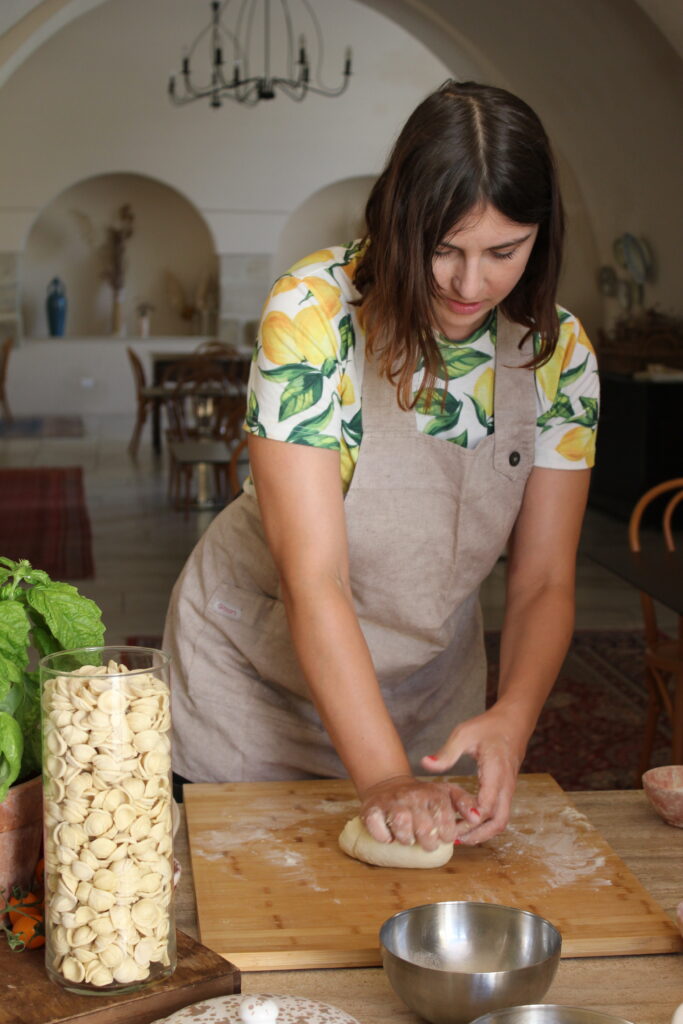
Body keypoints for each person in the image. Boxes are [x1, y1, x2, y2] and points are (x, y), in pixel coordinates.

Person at [163, 80, 599, 851]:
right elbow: (315, 580)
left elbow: (542, 581)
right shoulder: (312, 315)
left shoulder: (558, 356)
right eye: (443, 249)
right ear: (398, 221)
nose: (470, 285)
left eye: (504, 251)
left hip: (423, 696)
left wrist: (512, 716)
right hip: (253, 687)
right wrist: (383, 778)